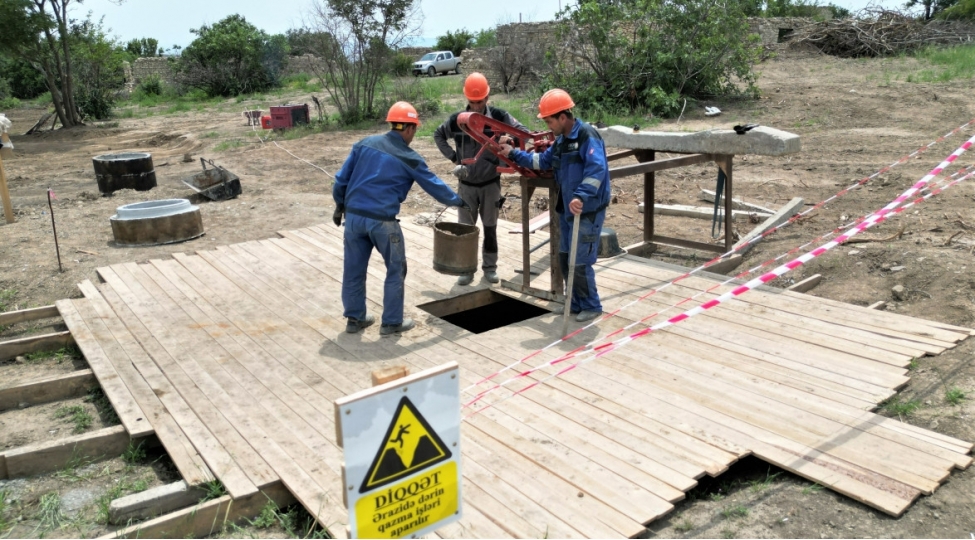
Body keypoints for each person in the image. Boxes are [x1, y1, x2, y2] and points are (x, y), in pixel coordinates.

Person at [333, 101, 469, 335]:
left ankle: (354, 319)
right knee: (396, 269)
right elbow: (434, 186)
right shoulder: (409, 157)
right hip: (382, 222)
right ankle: (392, 322)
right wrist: (458, 201)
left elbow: (340, 180)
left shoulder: (363, 144)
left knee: (353, 270)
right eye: (414, 130)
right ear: (409, 128)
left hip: (353, 219)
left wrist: (339, 205)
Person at [499, 89, 610, 322]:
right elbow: (542, 161)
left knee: (580, 261)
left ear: (562, 117)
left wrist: (581, 195)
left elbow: (596, 169)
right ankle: (575, 302)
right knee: (565, 257)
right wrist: (514, 154)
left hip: (586, 209)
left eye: (549, 120)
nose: (548, 126)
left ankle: (591, 305)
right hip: (568, 209)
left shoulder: (586, 136)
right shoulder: (561, 141)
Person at [434, 72, 526, 286]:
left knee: (490, 228)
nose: (476, 106)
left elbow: (522, 132)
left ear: (487, 98)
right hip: (466, 186)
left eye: (480, 101)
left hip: (490, 184)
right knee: (465, 231)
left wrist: (508, 140)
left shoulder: (500, 116)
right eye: (472, 102)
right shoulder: (457, 121)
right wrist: (454, 158)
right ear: (467, 99)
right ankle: (465, 270)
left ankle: (490, 268)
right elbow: (438, 135)